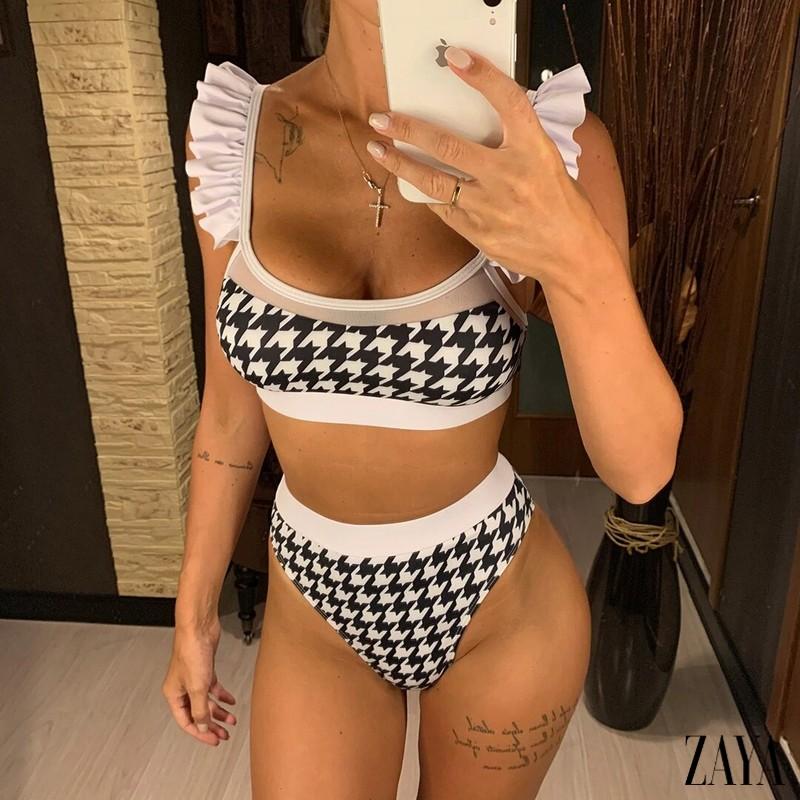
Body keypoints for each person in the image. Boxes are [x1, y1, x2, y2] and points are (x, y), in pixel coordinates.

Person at [161, 1, 683, 797]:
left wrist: (572, 250)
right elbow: (232, 414)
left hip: (498, 604)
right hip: (314, 605)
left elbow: (641, 468)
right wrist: (194, 611)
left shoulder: (548, 145)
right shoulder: (235, 133)